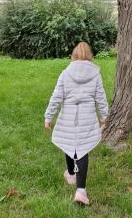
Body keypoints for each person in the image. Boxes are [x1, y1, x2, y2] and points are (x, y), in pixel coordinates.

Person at [44, 41, 108, 206]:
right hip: (87, 117)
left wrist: (48, 117)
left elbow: (56, 96)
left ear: (73, 55)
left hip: (68, 116)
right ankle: (81, 191)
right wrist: (104, 115)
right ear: (89, 56)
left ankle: (72, 174)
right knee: (83, 149)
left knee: (68, 142)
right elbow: (100, 97)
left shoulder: (66, 73)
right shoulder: (95, 74)